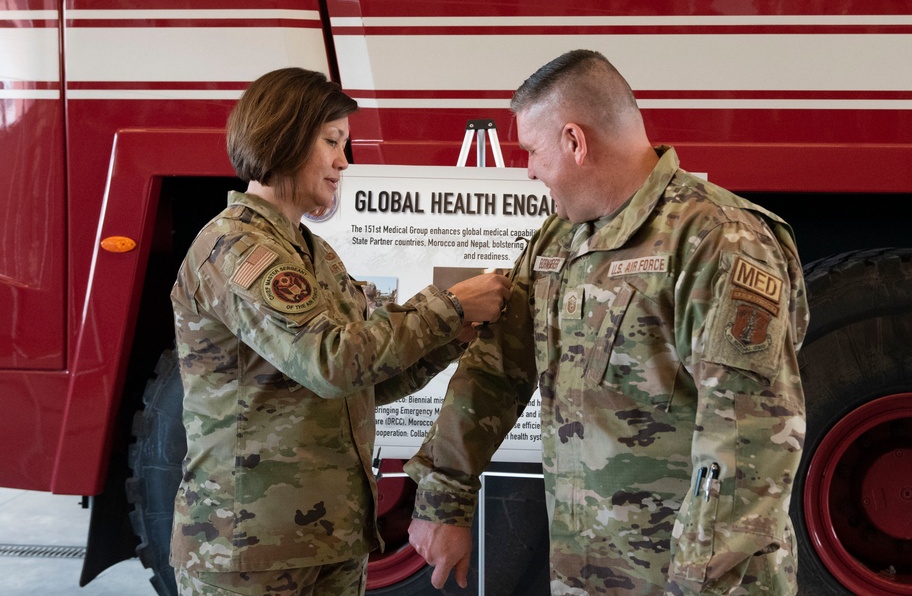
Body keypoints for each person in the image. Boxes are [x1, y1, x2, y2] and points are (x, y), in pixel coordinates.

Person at [404, 50, 808, 595]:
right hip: (586, 574)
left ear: (575, 141)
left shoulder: (718, 240)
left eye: (532, 150)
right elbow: (496, 372)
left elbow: (748, 441)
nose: (528, 170)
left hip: (690, 581)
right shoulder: (557, 243)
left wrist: (698, 584)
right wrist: (443, 500)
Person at [169, 67, 512, 596]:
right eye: (331, 142)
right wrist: (450, 305)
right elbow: (331, 362)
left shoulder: (312, 253)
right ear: (283, 136)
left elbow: (367, 382)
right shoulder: (236, 248)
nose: (342, 163)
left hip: (328, 540)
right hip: (248, 551)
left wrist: (456, 334)